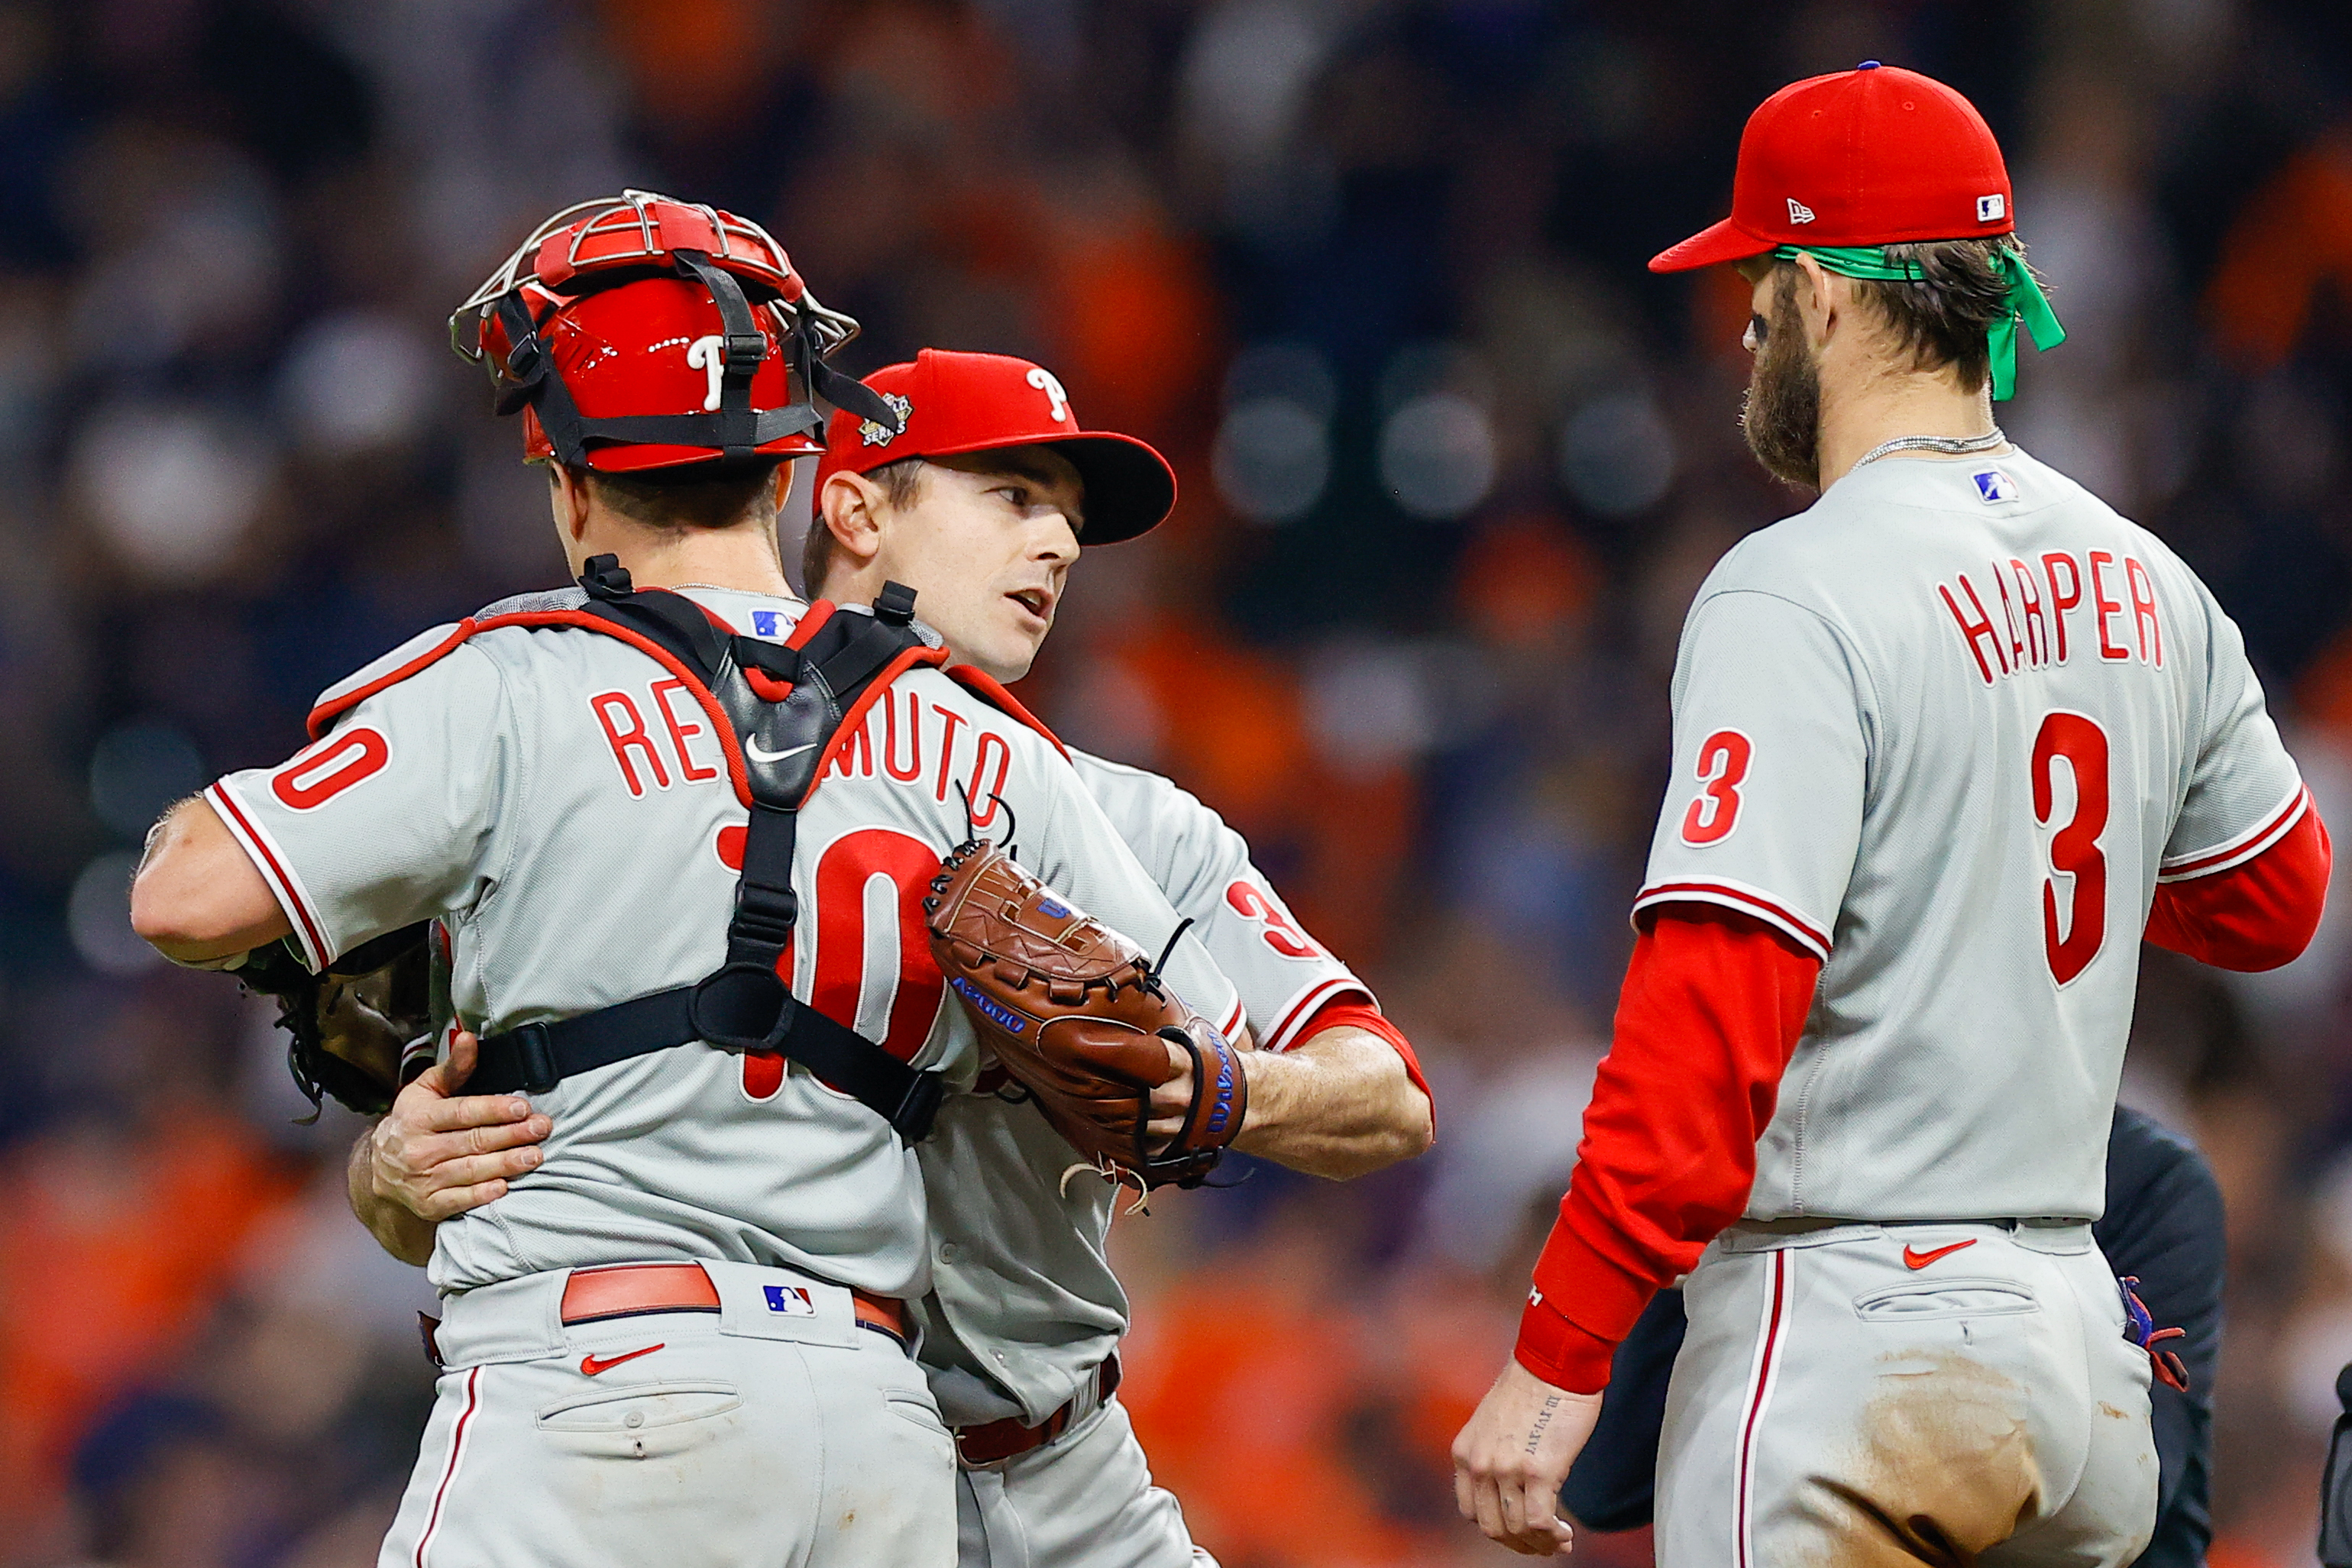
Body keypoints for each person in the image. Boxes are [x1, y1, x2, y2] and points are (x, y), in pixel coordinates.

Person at [129, 192, 1241, 1568]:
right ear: (789, 471)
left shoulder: (502, 683)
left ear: (565, 477)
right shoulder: (971, 730)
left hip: (599, 1390)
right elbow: (1190, 1056)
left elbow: (183, 896)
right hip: (876, 1434)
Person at [353, 346, 1438, 1568]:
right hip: (737, 1445)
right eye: (1012, 497)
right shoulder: (626, 772)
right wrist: (391, 1172)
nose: (1059, 547)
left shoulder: (1131, 825)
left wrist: (1228, 1087)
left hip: (1055, 1474)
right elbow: (442, 1167)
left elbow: (1386, 1096)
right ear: (854, 505)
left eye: (1069, 521)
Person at [1449, 63, 2331, 1563]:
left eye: (1757, 297)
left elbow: (1708, 1021)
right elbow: (2275, 903)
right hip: (2079, 1351)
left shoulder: (1794, 583)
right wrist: (1985, 844)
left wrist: (1558, 1351)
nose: (1743, 337)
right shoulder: (2145, 576)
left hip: (1844, 1343)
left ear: (1829, 297)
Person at [1562, 1104, 2224, 1566]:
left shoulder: (2139, 1177)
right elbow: (1604, 1482)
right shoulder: (1784, 1168)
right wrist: (1711, 1201)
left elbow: (2116, 1510)